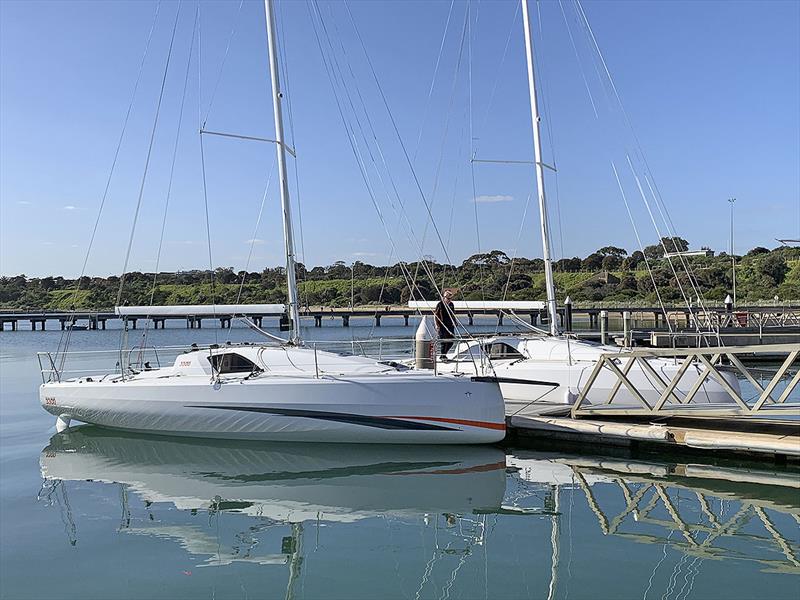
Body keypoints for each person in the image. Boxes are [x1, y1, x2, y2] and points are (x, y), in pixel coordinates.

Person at [434, 289, 456, 358]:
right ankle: (442, 355)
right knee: (443, 341)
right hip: (442, 325)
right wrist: (437, 325)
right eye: (448, 298)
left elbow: (452, 314)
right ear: (444, 297)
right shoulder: (440, 304)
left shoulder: (451, 304)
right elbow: (436, 315)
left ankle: (444, 354)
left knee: (451, 340)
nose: (449, 300)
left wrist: (455, 321)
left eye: (450, 298)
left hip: (450, 325)